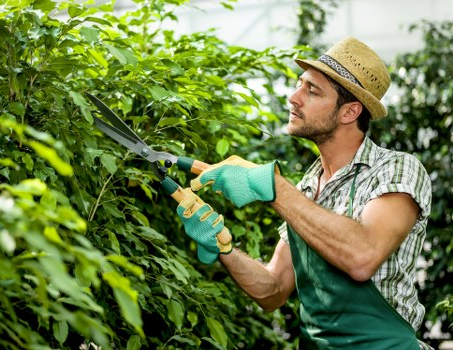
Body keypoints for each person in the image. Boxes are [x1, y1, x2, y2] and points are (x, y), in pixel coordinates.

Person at [175, 37, 432, 349]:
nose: (293, 98)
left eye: (312, 91)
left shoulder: (397, 170)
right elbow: (273, 290)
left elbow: (363, 256)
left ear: (349, 112)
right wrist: (222, 246)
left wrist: (274, 186)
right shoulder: (307, 188)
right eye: (300, 85)